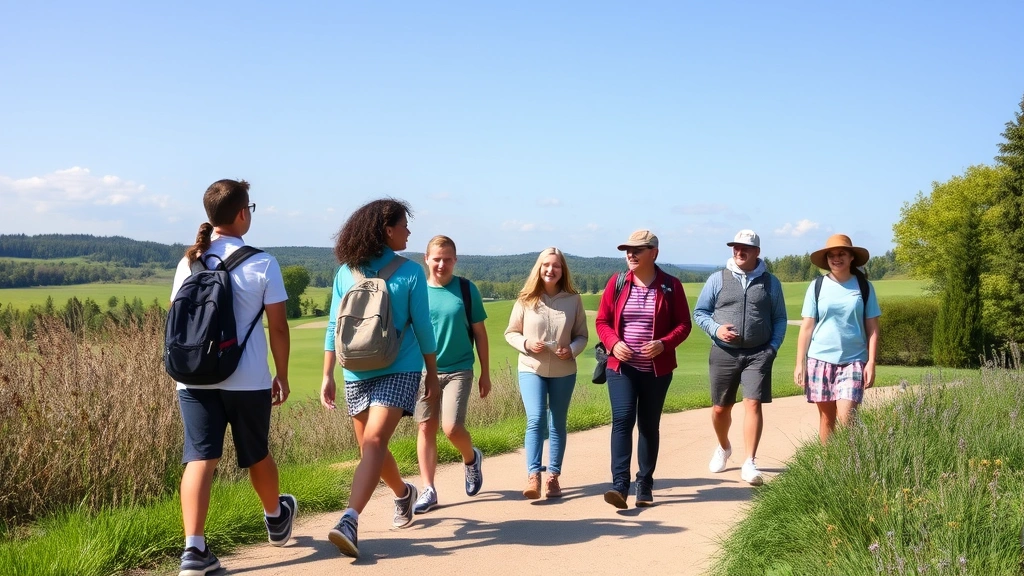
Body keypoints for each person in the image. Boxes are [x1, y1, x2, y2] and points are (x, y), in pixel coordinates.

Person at [170, 179, 295, 576]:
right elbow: (278, 327)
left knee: (199, 458)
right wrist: (283, 374)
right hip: (248, 379)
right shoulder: (263, 263)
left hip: (193, 379)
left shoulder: (191, 260)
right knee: (256, 453)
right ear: (243, 213)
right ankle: (275, 517)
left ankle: (193, 551)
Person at [321, 199, 439, 559]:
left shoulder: (357, 270)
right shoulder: (396, 271)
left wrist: (428, 374)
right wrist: (327, 374)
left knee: (373, 441)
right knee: (370, 448)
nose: (408, 232)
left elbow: (332, 327)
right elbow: (334, 324)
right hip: (355, 370)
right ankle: (404, 494)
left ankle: (349, 519)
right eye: (404, 225)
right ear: (388, 230)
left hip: (397, 369)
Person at [595, 229, 692, 508]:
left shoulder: (671, 285)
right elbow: (602, 321)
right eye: (628, 250)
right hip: (621, 367)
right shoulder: (617, 283)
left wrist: (664, 343)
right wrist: (613, 343)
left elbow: (684, 325)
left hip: (656, 369)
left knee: (648, 425)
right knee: (623, 421)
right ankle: (620, 486)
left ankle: (645, 484)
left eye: (637, 250)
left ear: (654, 253)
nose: (630, 254)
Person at [693, 229, 787, 486]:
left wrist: (773, 348)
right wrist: (717, 329)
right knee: (720, 408)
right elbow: (700, 312)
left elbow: (779, 318)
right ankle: (724, 447)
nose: (739, 251)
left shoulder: (771, 283)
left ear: (757, 251)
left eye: (745, 248)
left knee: (753, 404)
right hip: (724, 352)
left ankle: (749, 462)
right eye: (735, 247)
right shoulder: (718, 279)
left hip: (759, 353)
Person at [412, 235, 491, 513]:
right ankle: (429, 489)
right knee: (425, 428)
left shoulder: (467, 290)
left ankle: (471, 459)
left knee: (451, 428)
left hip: (459, 369)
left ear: (455, 260)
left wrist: (485, 373)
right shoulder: (417, 290)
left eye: (447, 259)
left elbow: (480, 334)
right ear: (426, 258)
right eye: (437, 259)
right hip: (423, 371)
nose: (441, 264)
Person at [504, 247, 588, 499]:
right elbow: (511, 332)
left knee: (558, 422)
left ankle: (553, 477)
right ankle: (533, 476)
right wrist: (527, 345)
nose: (550, 270)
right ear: (539, 269)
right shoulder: (526, 299)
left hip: (564, 370)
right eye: (546, 265)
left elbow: (582, 335)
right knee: (536, 418)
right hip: (531, 368)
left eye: (556, 266)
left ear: (563, 271)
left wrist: (571, 350)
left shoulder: (574, 300)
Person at [794, 234, 880, 444]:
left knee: (847, 417)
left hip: (853, 361)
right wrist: (799, 363)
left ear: (852, 257)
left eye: (841, 253)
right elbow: (806, 327)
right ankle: (827, 468)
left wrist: (871, 362)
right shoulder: (817, 286)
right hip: (819, 360)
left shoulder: (864, 287)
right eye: (831, 255)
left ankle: (854, 465)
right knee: (827, 418)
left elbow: (873, 328)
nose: (836, 258)